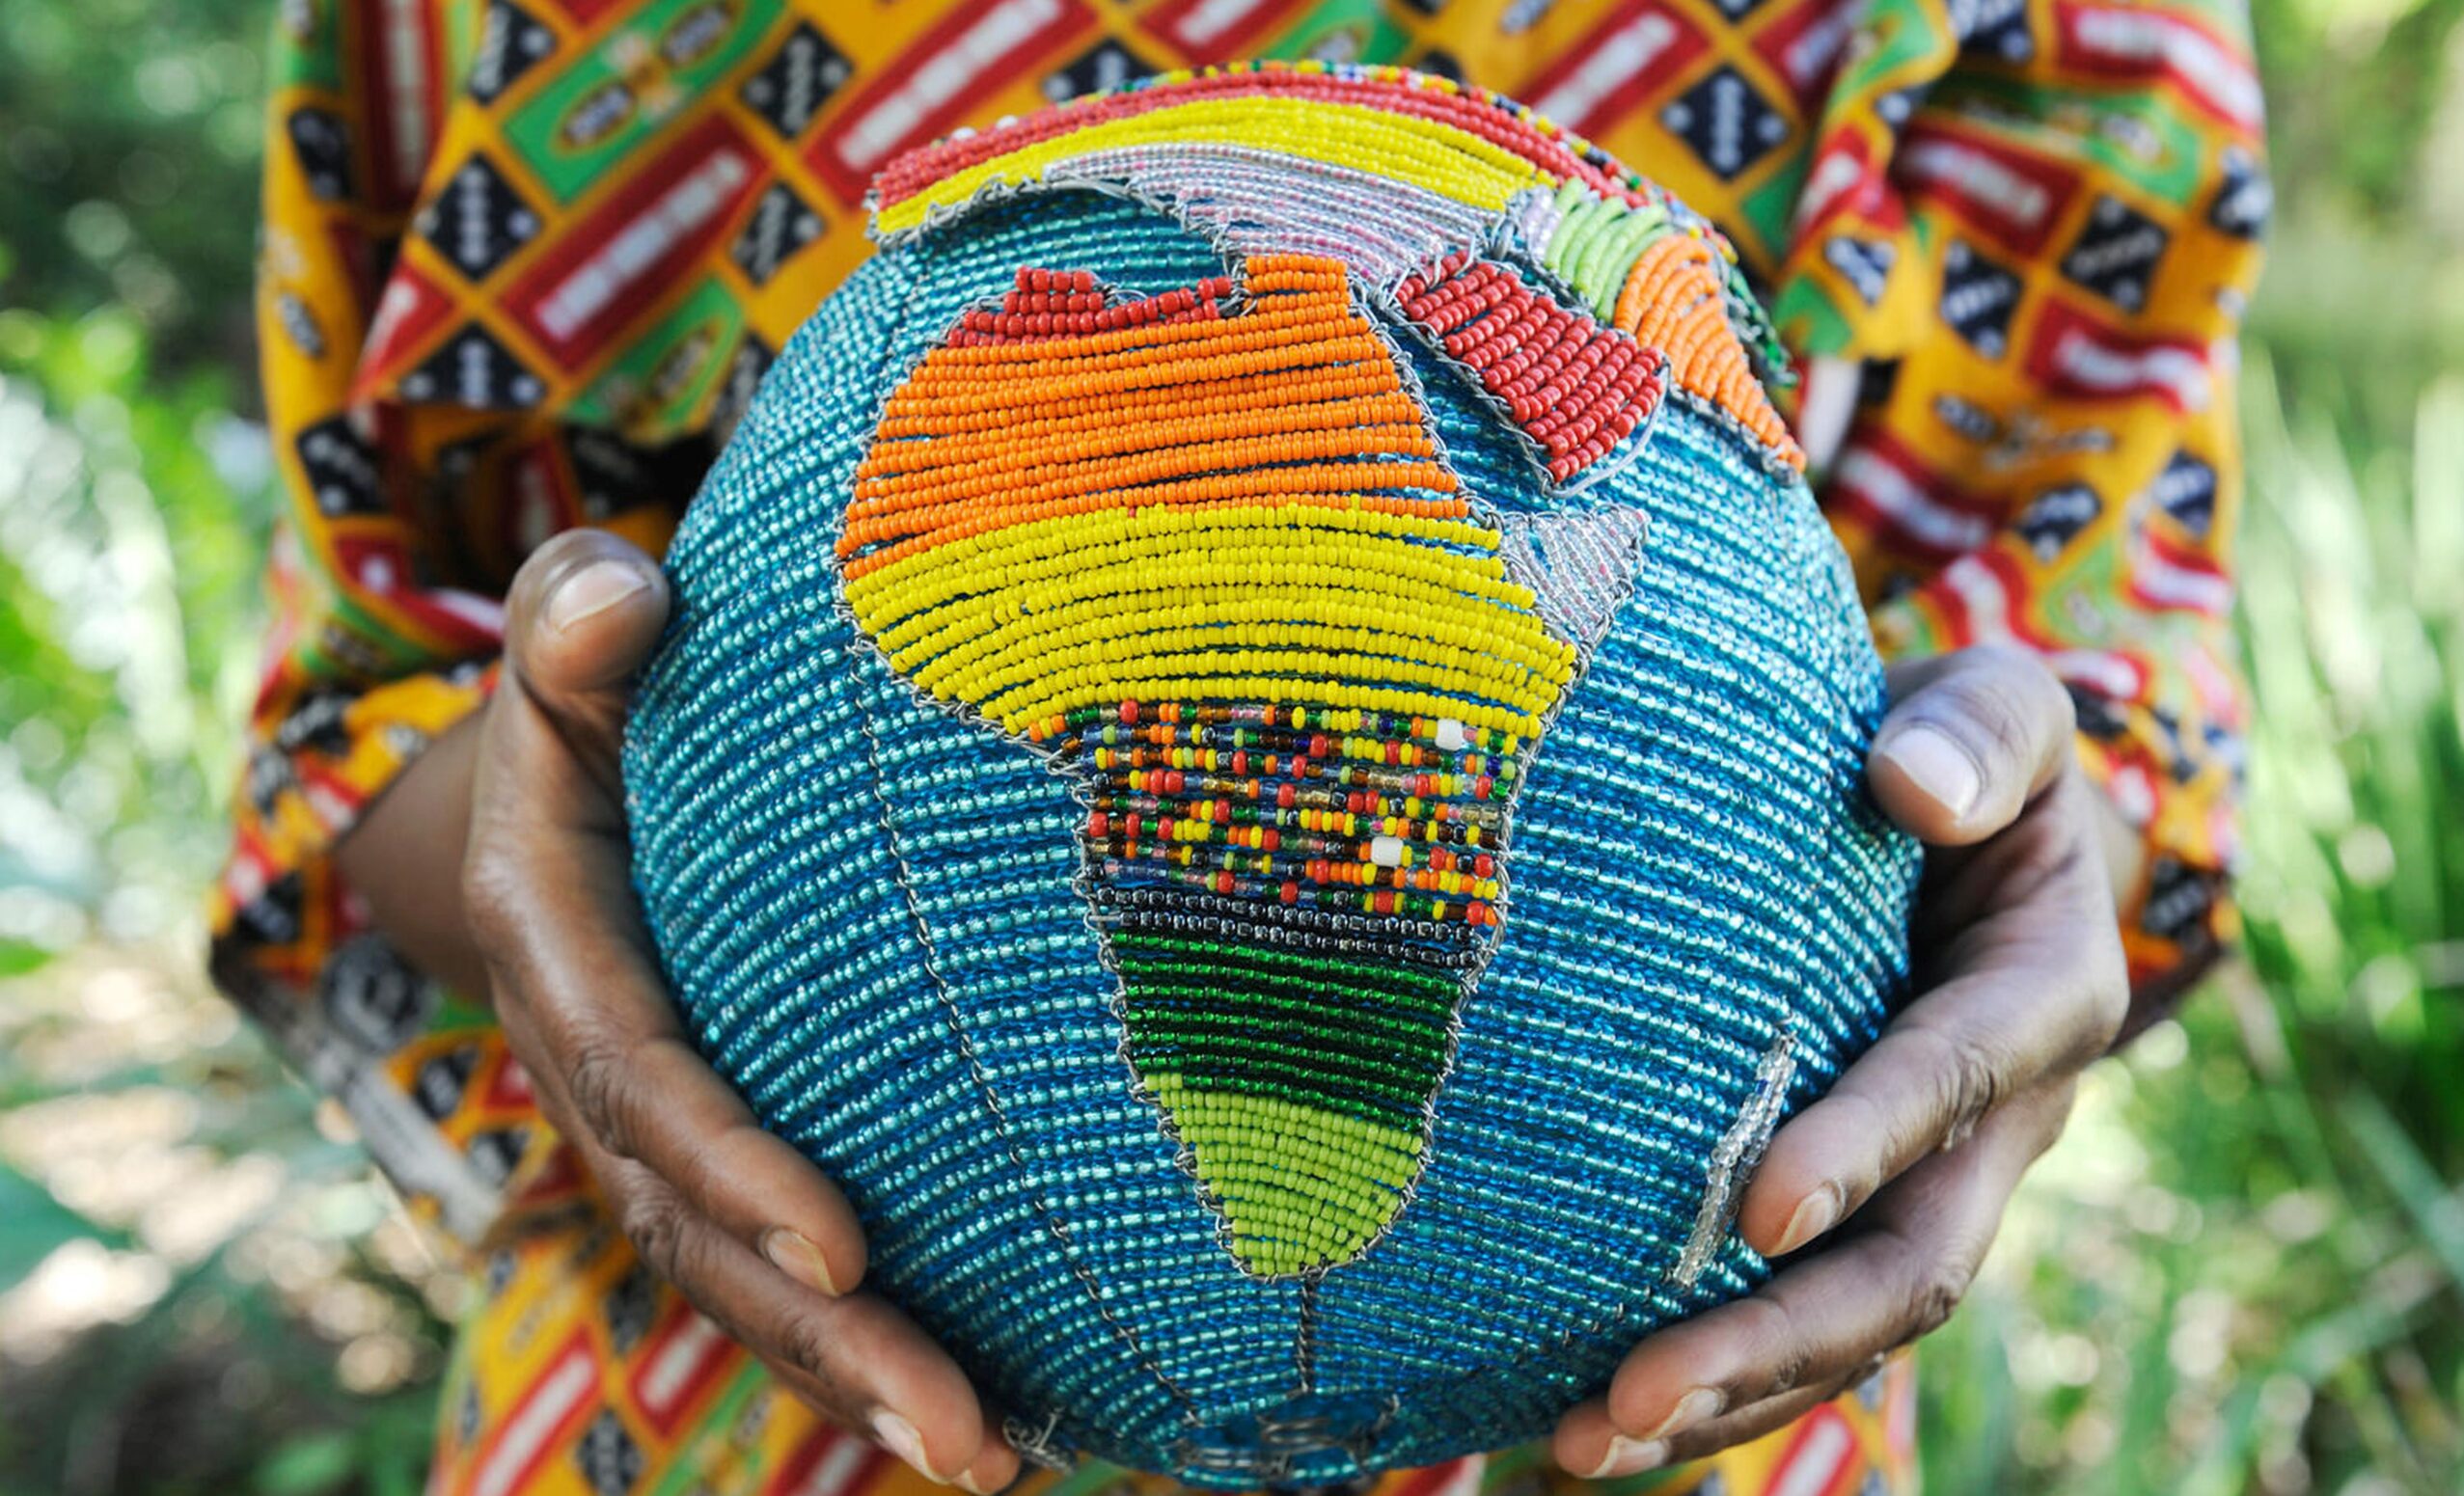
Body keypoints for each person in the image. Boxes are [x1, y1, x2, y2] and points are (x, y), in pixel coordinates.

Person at [213, 3, 2264, 1493]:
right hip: (728, 1396)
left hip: (1670, 1371)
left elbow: (2102, 694)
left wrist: (2027, 850)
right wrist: (565, 789)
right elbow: (366, 690)